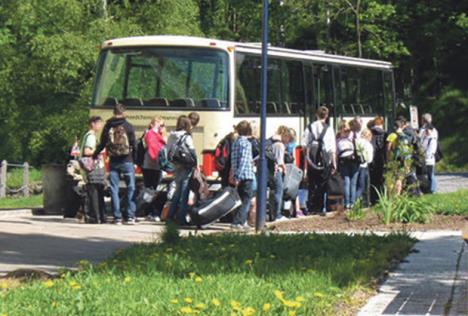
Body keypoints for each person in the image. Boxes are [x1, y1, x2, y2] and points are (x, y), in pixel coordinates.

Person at [95, 104, 137, 225]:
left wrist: (94, 155)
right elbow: (134, 144)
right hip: (127, 161)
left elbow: (102, 143)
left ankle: (117, 217)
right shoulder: (128, 126)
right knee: (131, 188)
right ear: (124, 113)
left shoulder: (108, 126)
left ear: (114, 112)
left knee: (114, 189)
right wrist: (135, 161)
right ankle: (130, 216)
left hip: (113, 161)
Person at [302, 106, 336, 214]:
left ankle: (313, 207)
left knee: (312, 183)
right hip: (325, 160)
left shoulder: (309, 128)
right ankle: (321, 207)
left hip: (312, 160)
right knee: (323, 184)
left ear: (316, 114)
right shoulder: (329, 129)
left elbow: (304, 145)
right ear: (326, 116)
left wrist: (308, 157)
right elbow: (332, 149)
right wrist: (334, 163)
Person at [166, 115, 197, 225]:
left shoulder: (171, 135)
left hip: (176, 166)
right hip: (186, 167)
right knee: (184, 193)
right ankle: (181, 219)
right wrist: (195, 164)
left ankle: (169, 217)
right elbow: (192, 152)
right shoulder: (186, 136)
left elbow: (167, 150)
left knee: (177, 192)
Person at [80, 116, 106, 224]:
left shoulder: (89, 136)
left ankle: (97, 216)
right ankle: (96, 216)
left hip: (92, 169)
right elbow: (87, 151)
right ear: (93, 124)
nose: (100, 126)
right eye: (99, 123)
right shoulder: (90, 136)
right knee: (94, 192)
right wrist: (99, 150)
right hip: (93, 169)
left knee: (95, 192)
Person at [230, 121, 256, 229]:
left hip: (237, 174)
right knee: (246, 200)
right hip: (246, 175)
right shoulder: (247, 144)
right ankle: (238, 222)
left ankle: (240, 221)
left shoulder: (236, 142)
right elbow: (244, 161)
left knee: (240, 200)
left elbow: (234, 160)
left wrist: (235, 175)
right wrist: (239, 176)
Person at [143, 117, 166, 221]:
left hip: (158, 166)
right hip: (149, 166)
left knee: (155, 190)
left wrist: (162, 134)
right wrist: (156, 132)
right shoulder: (149, 134)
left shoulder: (162, 136)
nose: (161, 127)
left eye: (162, 125)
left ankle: (152, 212)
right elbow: (150, 146)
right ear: (152, 125)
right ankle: (149, 211)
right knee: (150, 190)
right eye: (159, 125)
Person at [269, 126, 293, 221]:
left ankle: (273, 214)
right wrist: (285, 169)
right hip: (277, 171)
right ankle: (277, 215)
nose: (289, 142)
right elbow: (280, 161)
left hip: (270, 171)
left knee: (273, 193)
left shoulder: (273, 143)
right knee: (279, 192)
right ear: (285, 136)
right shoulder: (280, 145)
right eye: (289, 139)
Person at [337, 120, 360, 209]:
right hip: (354, 159)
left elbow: (336, 151)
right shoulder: (353, 135)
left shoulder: (338, 137)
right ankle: (352, 203)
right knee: (353, 183)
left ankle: (347, 203)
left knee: (346, 182)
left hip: (343, 160)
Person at [369, 116, 387, 204]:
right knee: (381, 180)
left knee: (372, 180)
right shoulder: (385, 134)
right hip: (381, 159)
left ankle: (372, 199)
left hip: (372, 159)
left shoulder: (370, 133)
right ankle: (381, 198)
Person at [355, 128, 374, 205]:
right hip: (363, 166)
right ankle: (359, 204)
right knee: (362, 187)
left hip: (354, 165)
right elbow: (369, 159)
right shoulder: (368, 144)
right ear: (369, 136)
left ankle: (351, 202)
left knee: (354, 186)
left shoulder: (356, 141)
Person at [420, 124, 438, 193]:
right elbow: (422, 146)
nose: (426, 132)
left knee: (430, 175)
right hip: (424, 159)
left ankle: (432, 190)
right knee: (425, 175)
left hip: (429, 160)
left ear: (432, 130)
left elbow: (431, 151)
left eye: (428, 130)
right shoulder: (424, 138)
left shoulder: (432, 139)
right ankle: (427, 189)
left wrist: (424, 155)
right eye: (426, 131)